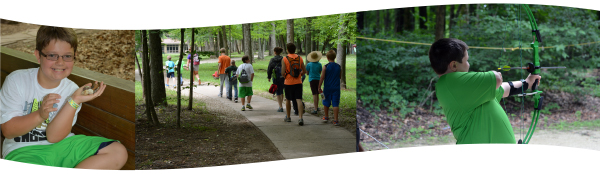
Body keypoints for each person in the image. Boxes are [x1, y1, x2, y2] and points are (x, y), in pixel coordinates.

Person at [0, 26, 127, 169]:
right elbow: (8, 131)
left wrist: (74, 101)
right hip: (23, 150)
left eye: (67, 56)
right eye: (52, 55)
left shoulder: (72, 90)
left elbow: (54, 137)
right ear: (38, 55)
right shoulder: (17, 80)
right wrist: (40, 115)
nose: (60, 62)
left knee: (117, 151)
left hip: (63, 147)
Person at [429, 38, 542, 144]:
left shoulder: (463, 89)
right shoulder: (450, 82)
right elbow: (497, 79)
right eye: (466, 60)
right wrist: (496, 75)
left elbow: (501, 89)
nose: (468, 65)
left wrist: (527, 83)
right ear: (454, 65)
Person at [281, 43, 307, 126]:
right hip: (298, 82)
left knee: (288, 99)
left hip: (288, 83)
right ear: (295, 49)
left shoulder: (285, 58)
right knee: (299, 99)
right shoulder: (300, 58)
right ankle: (300, 118)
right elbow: (304, 70)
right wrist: (300, 75)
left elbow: (282, 72)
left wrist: (286, 76)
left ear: (287, 50)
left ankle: (288, 117)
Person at [318, 50, 341, 126]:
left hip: (327, 88)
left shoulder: (325, 66)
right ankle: (336, 120)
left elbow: (322, 77)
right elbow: (340, 77)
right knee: (335, 104)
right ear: (335, 57)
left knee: (326, 102)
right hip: (336, 88)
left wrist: (319, 86)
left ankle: (326, 116)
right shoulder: (339, 66)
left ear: (327, 57)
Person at [267, 47, 285, 112]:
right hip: (283, 77)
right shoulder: (283, 59)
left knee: (277, 91)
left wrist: (269, 77)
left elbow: (269, 69)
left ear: (275, 52)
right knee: (282, 90)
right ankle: (281, 104)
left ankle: (280, 107)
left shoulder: (272, 60)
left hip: (275, 77)